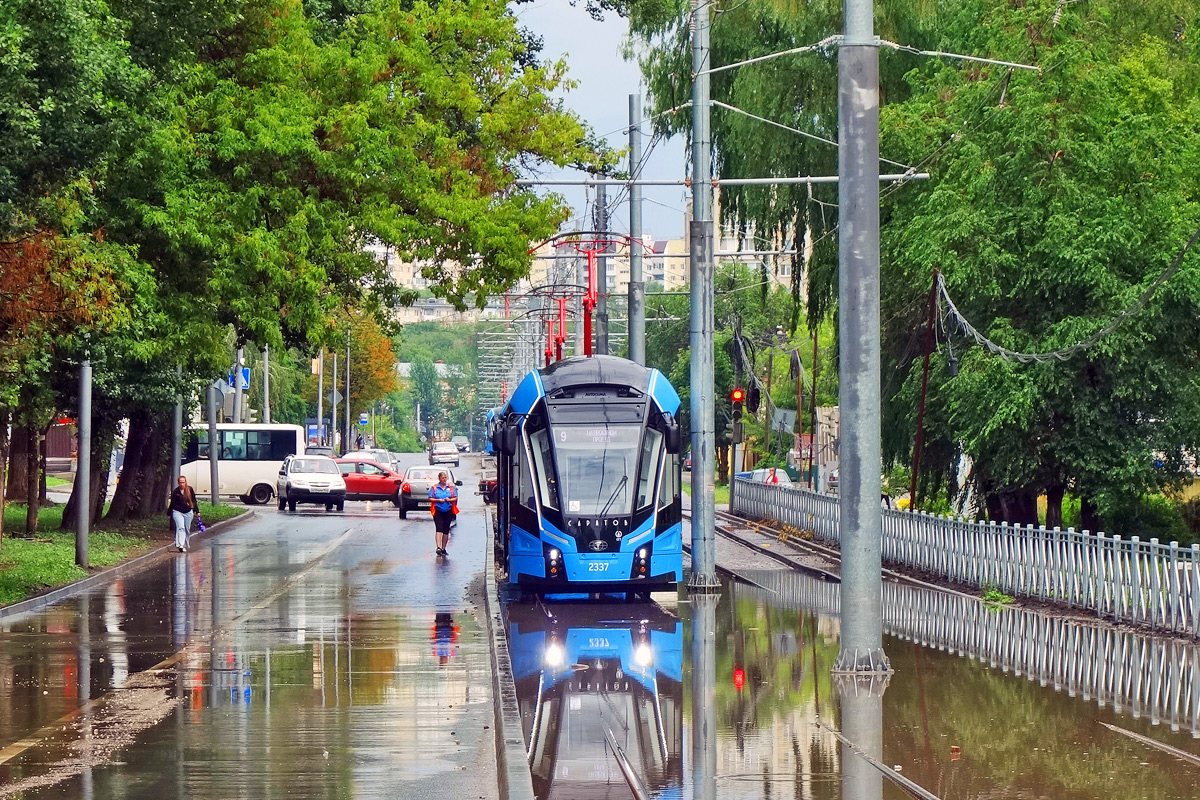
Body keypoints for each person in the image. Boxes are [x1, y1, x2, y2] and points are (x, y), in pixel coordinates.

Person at [429, 472, 457, 556]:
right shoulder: (434, 488)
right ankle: (439, 547)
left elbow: (455, 497)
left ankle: (444, 548)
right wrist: (438, 500)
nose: (444, 479)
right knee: (439, 527)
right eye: (443, 478)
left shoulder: (451, 487)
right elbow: (430, 498)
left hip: (448, 510)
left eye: (445, 478)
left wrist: (450, 500)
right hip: (438, 510)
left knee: (446, 529)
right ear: (439, 479)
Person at [168, 475, 198, 552]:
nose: (182, 484)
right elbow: (172, 503)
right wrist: (169, 513)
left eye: (183, 482)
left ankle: (184, 544)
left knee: (187, 529)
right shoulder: (176, 492)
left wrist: (197, 511)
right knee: (180, 527)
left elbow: (194, 501)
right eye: (180, 482)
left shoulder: (190, 489)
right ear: (178, 483)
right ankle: (180, 545)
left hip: (188, 512)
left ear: (185, 482)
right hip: (177, 512)